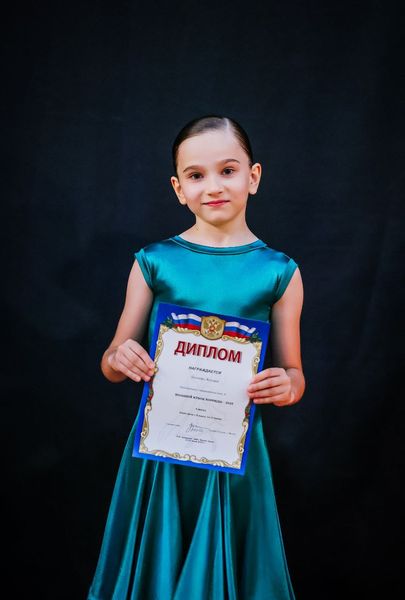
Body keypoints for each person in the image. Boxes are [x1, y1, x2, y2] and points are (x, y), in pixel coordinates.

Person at [88, 115, 305, 600]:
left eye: (227, 170)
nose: (213, 186)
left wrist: (287, 385)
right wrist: (120, 358)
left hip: (235, 450)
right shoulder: (154, 261)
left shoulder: (279, 271)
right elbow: (110, 359)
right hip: (161, 448)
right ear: (178, 188)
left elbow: (295, 372)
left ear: (253, 177)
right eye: (196, 175)